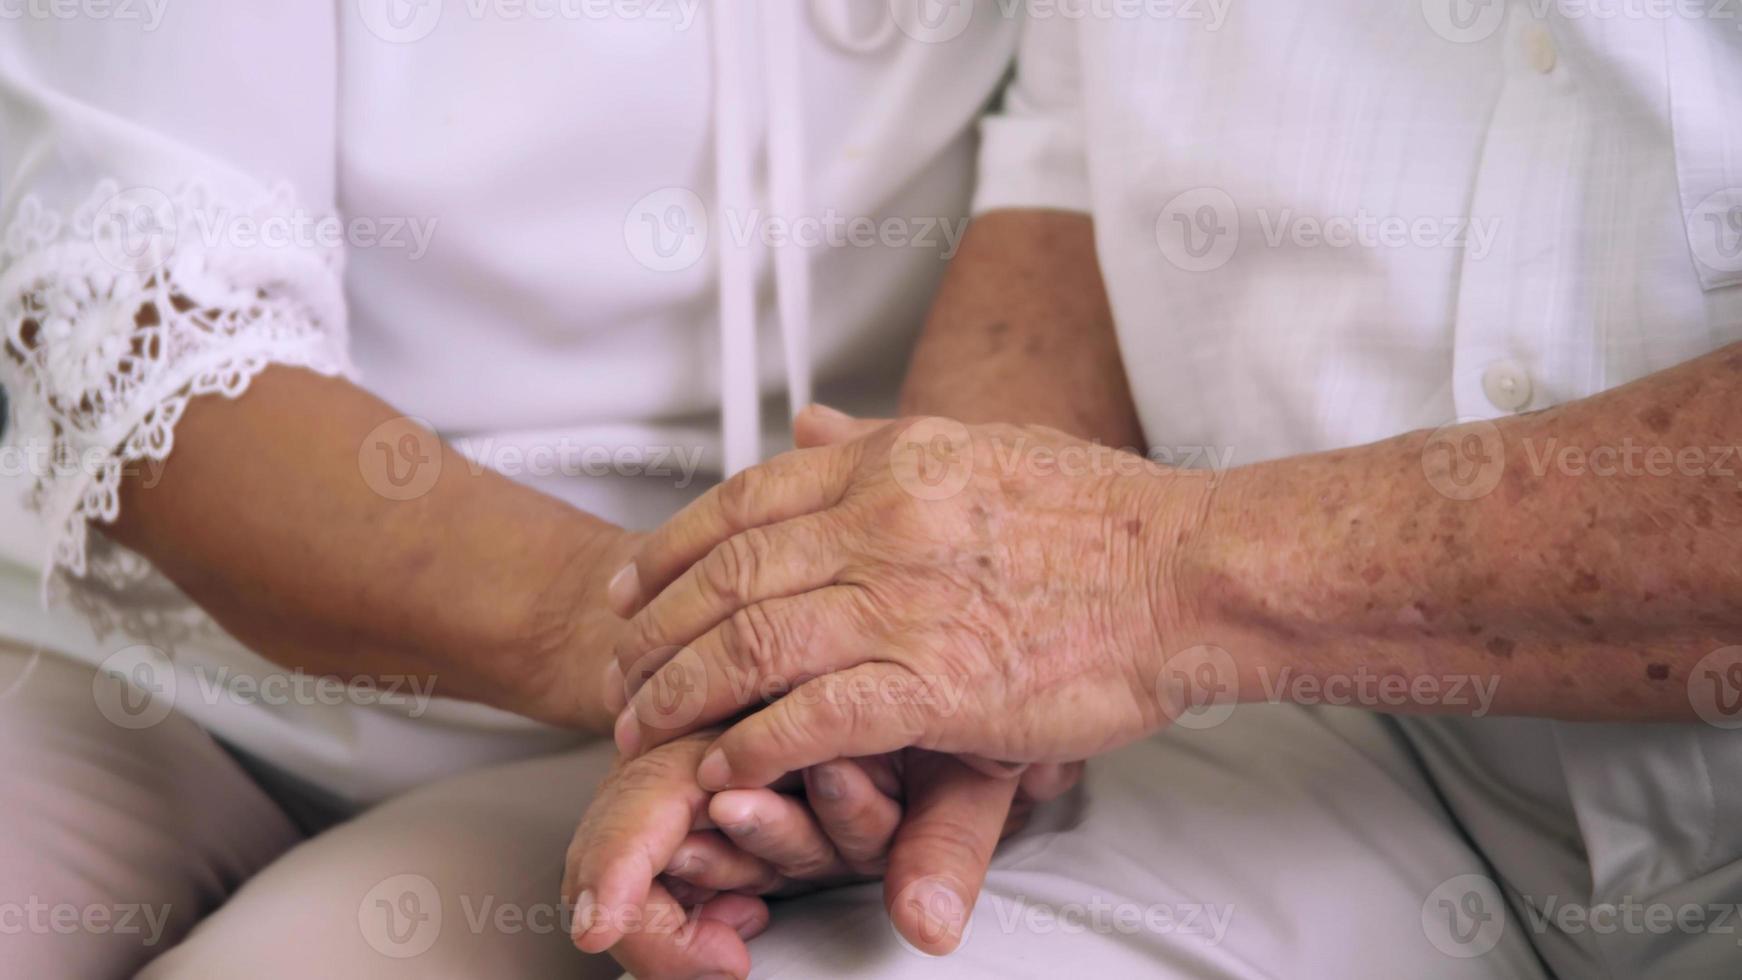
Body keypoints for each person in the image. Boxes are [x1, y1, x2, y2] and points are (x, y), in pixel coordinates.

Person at [589, 4, 1742, 978]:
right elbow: (1067, 197)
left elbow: (1135, 580)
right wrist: (902, 679)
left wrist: (1143, 577)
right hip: (1340, 755)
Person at [0, 3, 1061, 977]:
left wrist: (907, 669)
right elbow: (148, 352)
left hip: (641, 749)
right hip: (141, 662)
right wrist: (713, 644)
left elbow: (1063, 212)